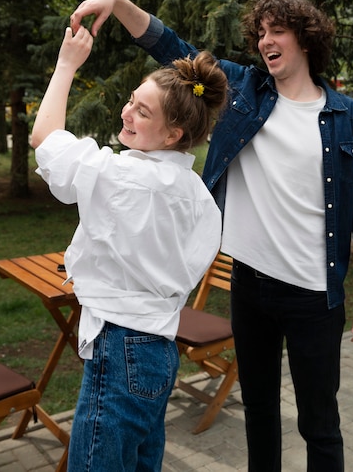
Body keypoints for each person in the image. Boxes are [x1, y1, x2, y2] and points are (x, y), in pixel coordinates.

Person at [70, 0, 353, 472]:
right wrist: (116, 3)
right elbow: (170, 45)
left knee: (319, 423)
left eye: (276, 31)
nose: (265, 41)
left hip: (314, 295)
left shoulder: (345, 116)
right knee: (258, 411)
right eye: (260, 33)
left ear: (305, 38)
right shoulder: (246, 90)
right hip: (251, 285)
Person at [30, 25, 228, 472]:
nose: (127, 112)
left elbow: (44, 139)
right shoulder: (197, 193)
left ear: (174, 133)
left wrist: (66, 64)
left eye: (143, 111)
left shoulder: (122, 177)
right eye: (132, 101)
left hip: (119, 349)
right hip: (158, 349)